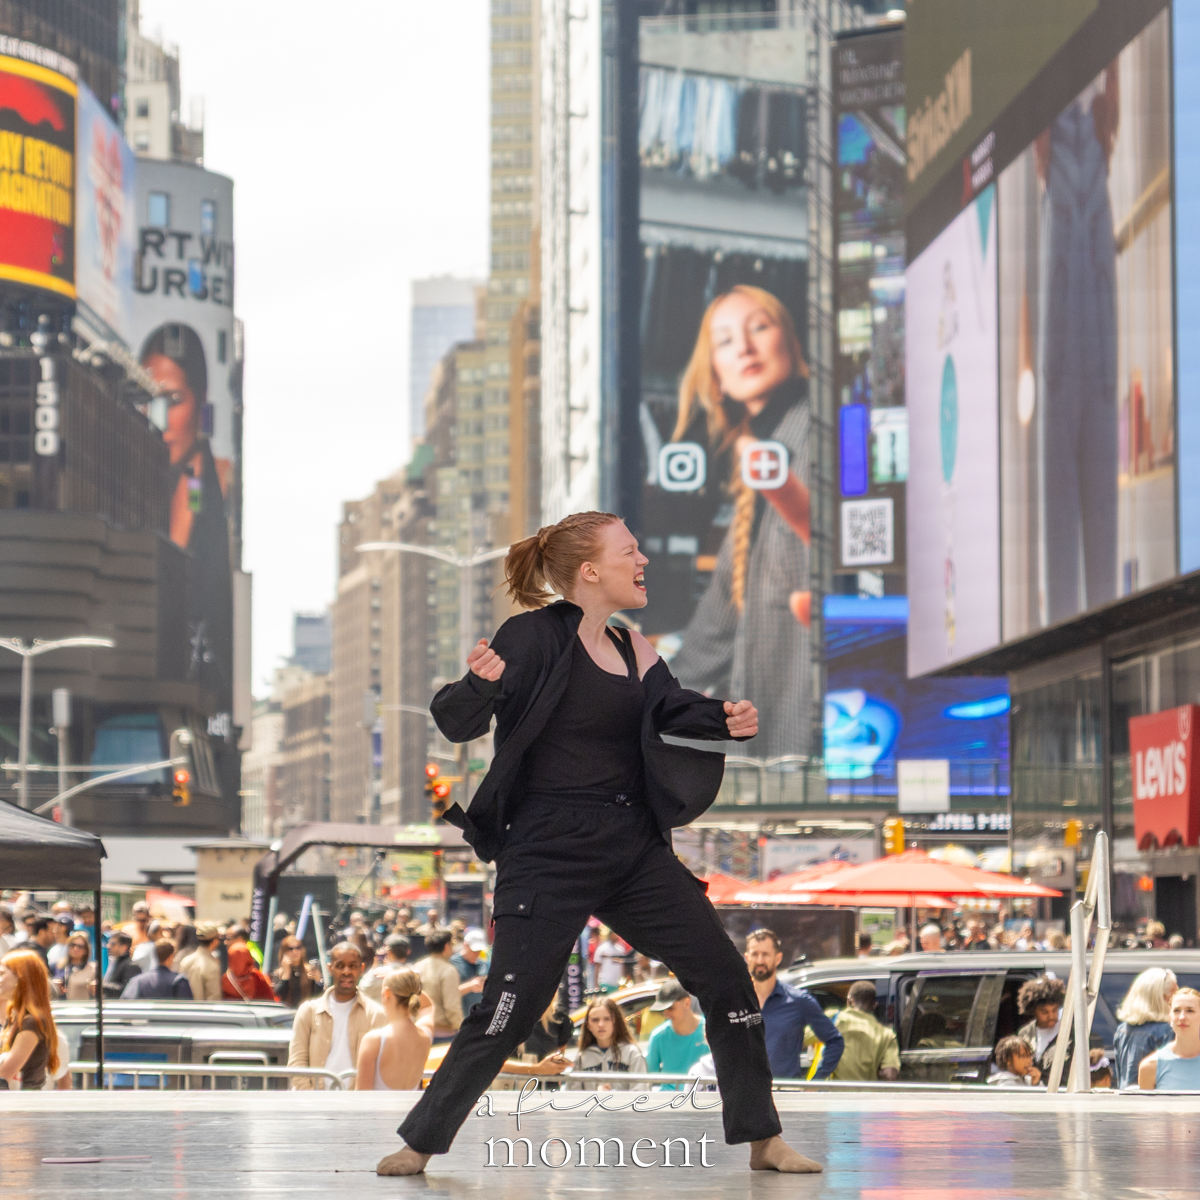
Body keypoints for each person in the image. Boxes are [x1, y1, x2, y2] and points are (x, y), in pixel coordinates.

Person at [377, 511, 817, 1177]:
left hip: (632, 847)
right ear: (590, 571)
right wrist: (480, 684)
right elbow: (454, 718)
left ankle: (763, 1138)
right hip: (546, 848)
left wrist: (726, 718)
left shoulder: (636, 648)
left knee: (726, 978)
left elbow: (671, 708)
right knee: (508, 1004)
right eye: (630, 551)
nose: (642, 560)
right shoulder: (530, 637)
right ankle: (420, 1142)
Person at [667, 286, 814, 761]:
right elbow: (716, 624)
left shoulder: (820, 430)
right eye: (725, 340)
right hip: (777, 736)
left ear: (789, 341)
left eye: (759, 326)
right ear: (716, 377)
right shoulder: (757, 459)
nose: (745, 347)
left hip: (827, 720)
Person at [140, 323, 234, 706]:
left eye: (173, 399)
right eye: (149, 400)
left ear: (201, 401)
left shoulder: (221, 479)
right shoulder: (134, 478)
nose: (159, 419)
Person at [746, 928, 843, 1081]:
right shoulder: (737, 1001)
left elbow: (835, 1041)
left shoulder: (798, 1001)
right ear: (746, 957)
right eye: (755, 954)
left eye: (765, 954)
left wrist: (815, 1083)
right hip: (744, 1095)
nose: (759, 961)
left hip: (783, 1095)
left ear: (778, 958)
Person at [289, 942, 385, 1089]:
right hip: (315, 1104)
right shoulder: (308, 1011)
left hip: (357, 1105)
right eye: (340, 966)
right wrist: (310, 1101)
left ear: (362, 969)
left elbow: (380, 1068)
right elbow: (297, 1063)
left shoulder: (376, 1014)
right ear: (330, 968)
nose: (346, 972)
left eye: (353, 966)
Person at [355, 968, 435, 1091]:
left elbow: (361, 1095)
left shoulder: (374, 1040)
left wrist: (397, 979)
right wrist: (408, 983)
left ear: (387, 993)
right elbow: (428, 1006)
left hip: (378, 1110)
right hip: (411, 1110)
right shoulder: (425, 1036)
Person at [0, 950, 58, 1090]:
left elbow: (4, 1075)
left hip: (25, 1108)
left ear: (20, 978)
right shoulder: (15, 1017)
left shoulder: (32, 1022)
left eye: (2, 974)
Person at [1115, 968, 1178, 1089]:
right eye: (1174, 994)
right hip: (1154, 1103)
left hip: (1126, 1100)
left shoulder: (1122, 1029)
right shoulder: (1167, 1031)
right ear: (1162, 998)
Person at [571, 996, 649, 1091]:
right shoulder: (582, 1057)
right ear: (588, 1026)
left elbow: (640, 1093)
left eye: (607, 1019)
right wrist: (596, 1095)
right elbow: (573, 1095)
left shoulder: (632, 1053)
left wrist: (611, 1097)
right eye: (595, 1020)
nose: (601, 1024)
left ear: (615, 1022)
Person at [644, 978, 709, 1089]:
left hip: (701, 1098)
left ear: (687, 1003)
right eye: (663, 1010)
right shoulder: (658, 1036)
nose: (666, 1014)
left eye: (670, 1008)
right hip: (667, 1101)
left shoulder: (708, 1031)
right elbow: (648, 1077)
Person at [831, 981, 900, 1082]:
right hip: (866, 1095)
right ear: (874, 1005)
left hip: (833, 1095)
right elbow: (890, 1075)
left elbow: (802, 1038)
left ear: (850, 1001)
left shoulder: (833, 1019)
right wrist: (873, 1071)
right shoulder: (887, 1035)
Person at [1139, 987, 1200, 1090]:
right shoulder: (1150, 1066)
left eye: (1190, 1011)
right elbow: (1146, 1106)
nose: (1182, 1017)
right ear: (1170, 1016)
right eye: (1176, 1011)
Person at [414, 930, 464, 1041]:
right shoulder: (448, 970)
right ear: (447, 946)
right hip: (443, 1034)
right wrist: (461, 1028)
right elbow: (451, 1007)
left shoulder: (418, 966)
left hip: (420, 1028)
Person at [1017, 975, 1071, 1076]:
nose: (1051, 1016)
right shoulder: (1025, 1033)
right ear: (1034, 1011)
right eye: (1044, 1012)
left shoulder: (1070, 1032)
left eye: (1054, 1010)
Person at [121, 940, 193, 999]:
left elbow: (126, 1003)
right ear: (170, 957)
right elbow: (187, 1011)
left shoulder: (137, 981)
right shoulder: (179, 981)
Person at [272, 937, 324, 1008]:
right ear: (284, 952)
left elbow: (318, 996)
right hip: (286, 1013)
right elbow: (278, 996)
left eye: (298, 948)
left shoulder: (310, 970)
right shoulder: (278, 973)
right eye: (290, 949)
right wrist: (286, 974)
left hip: (306, 1012)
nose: (295, 951)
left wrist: (318, 982)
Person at [178, 923, 223, 1002]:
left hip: (185, 1011)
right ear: (215, 941)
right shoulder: (212, 967)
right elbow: (214, 998)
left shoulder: (185, 961)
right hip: (202, 1012)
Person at [448, 929, 488, 1014]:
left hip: (479, 1018)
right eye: (474, 950)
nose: (477, 954)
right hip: (460, 1018)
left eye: (479, 951)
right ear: (465, 945)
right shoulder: (452, 964)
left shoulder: (483, 964)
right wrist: (470, 986)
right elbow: (448, 994)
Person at [54, 934, 97, 1001]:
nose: (75, 949)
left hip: (83, 1007)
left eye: (80, 946)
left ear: (85, 950)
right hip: (61, 1006)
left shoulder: (92, 969)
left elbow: (97, 991)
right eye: (73, 945)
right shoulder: (59, 965)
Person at [101, 932, 141, 998]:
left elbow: (127, 990)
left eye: (113, 944)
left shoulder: (131, 966)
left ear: (123, 947)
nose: (108, 946)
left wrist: (103, 987)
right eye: (109, 943)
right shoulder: (114, 963)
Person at [593, 927, 630, 993]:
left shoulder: (620, 950)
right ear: (610, 935)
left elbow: (623, 967)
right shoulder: (602, 949)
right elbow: (597, 967)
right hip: (605, 982)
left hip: (617, 984)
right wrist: (596, 984)